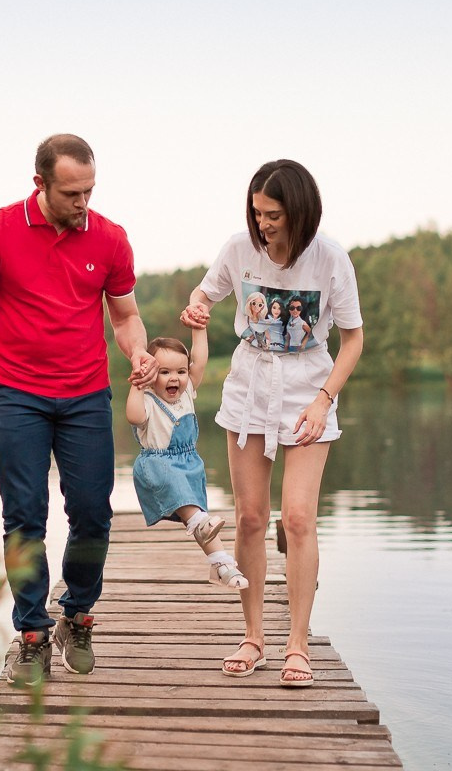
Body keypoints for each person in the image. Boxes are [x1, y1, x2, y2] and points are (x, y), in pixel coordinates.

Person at [0, 134, 157, 686]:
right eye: (71, 193)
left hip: (86, 393)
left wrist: (137, 352)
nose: (83, 203)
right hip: (16, 393)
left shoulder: (111, 239)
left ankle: (78, 613)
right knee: (25, 516)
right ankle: (33, 634)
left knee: (92, 513)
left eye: (90, 190)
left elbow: (125, 316)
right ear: (39, 183)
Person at [181, 159, 364, 687]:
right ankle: (254, 636)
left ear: (300, 212)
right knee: (249, 520)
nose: (263, 224)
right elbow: (204, 293)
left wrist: (324, 400)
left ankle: (298, 643)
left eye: (274, 215)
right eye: (258, 213)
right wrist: (197, 310)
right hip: (249, 390)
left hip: (309, 391)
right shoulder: (239, 250)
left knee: (299, 518)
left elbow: (353, 339)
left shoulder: (330, 259)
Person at [126, 330, 248, 589]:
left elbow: (200, 360)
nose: (175, 378)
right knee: (198, 518)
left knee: (199, 517)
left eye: (181, 372)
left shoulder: (186, 393)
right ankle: (209, 539)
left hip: (189, 464)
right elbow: (135, 418)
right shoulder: (147, 399)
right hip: (158, 465)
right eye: (165, 372)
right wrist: (137, 384)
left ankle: (221, 564)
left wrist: (200, 329)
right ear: (150, 375)